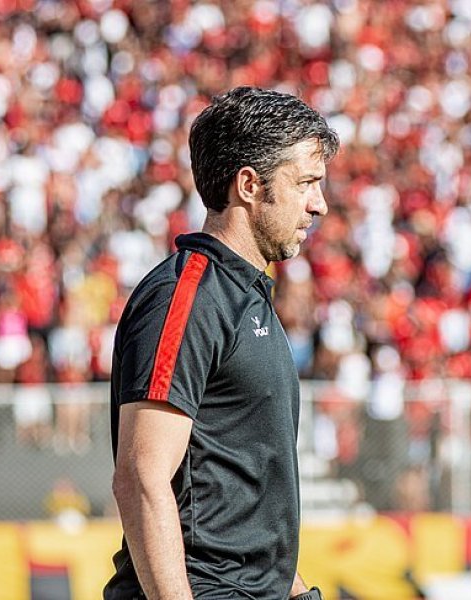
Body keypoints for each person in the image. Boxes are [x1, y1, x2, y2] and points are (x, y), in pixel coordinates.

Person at [104, 87, 339, 600]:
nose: (319, 205)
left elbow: (244, 494)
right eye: (306, 184)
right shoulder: (186, 297)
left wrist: (295, 591)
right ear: (250, 185)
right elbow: (141, 477)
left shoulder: (246, 298)